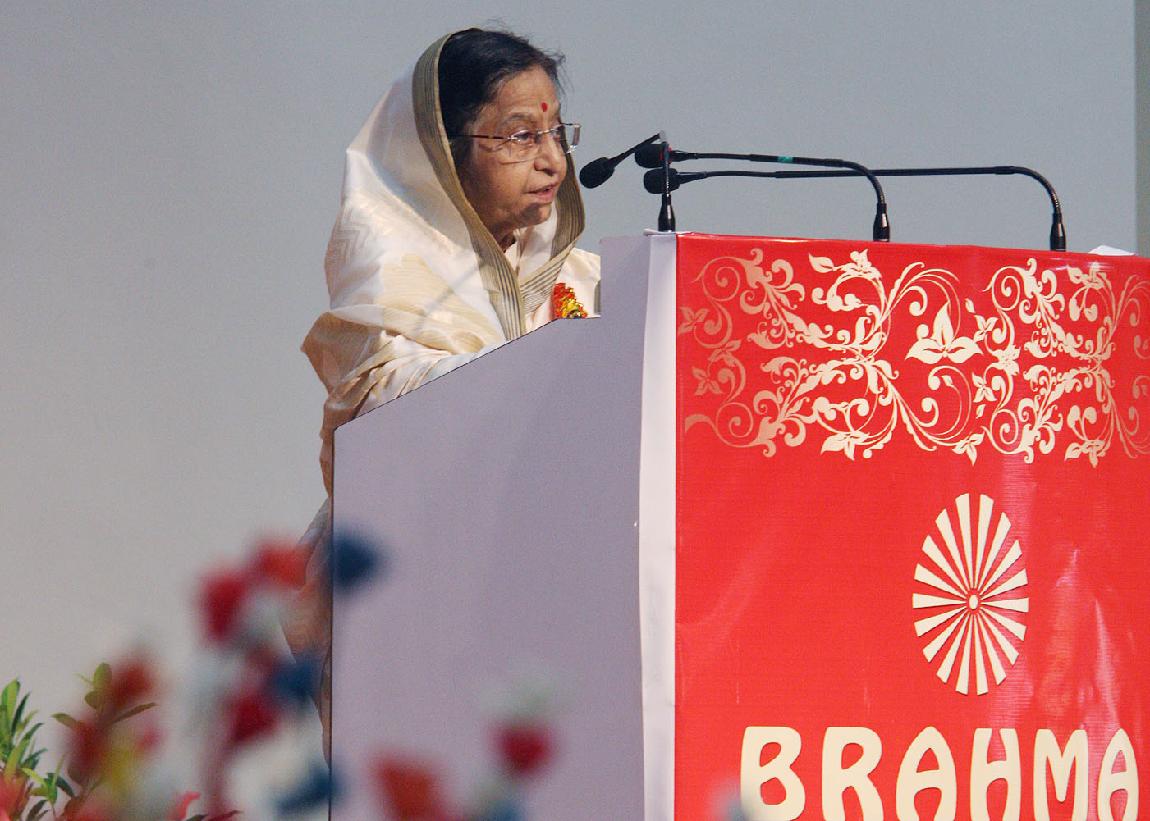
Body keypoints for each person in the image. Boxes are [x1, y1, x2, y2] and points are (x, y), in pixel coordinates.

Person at [283, 28, 600, 750]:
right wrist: (550, 368)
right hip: (416, 592)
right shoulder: (387, 265)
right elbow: (380, 402)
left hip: (556, 593)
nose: (553, 160)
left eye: (556, 132)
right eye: (519, 136)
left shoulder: (583, 280)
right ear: (441, 150)